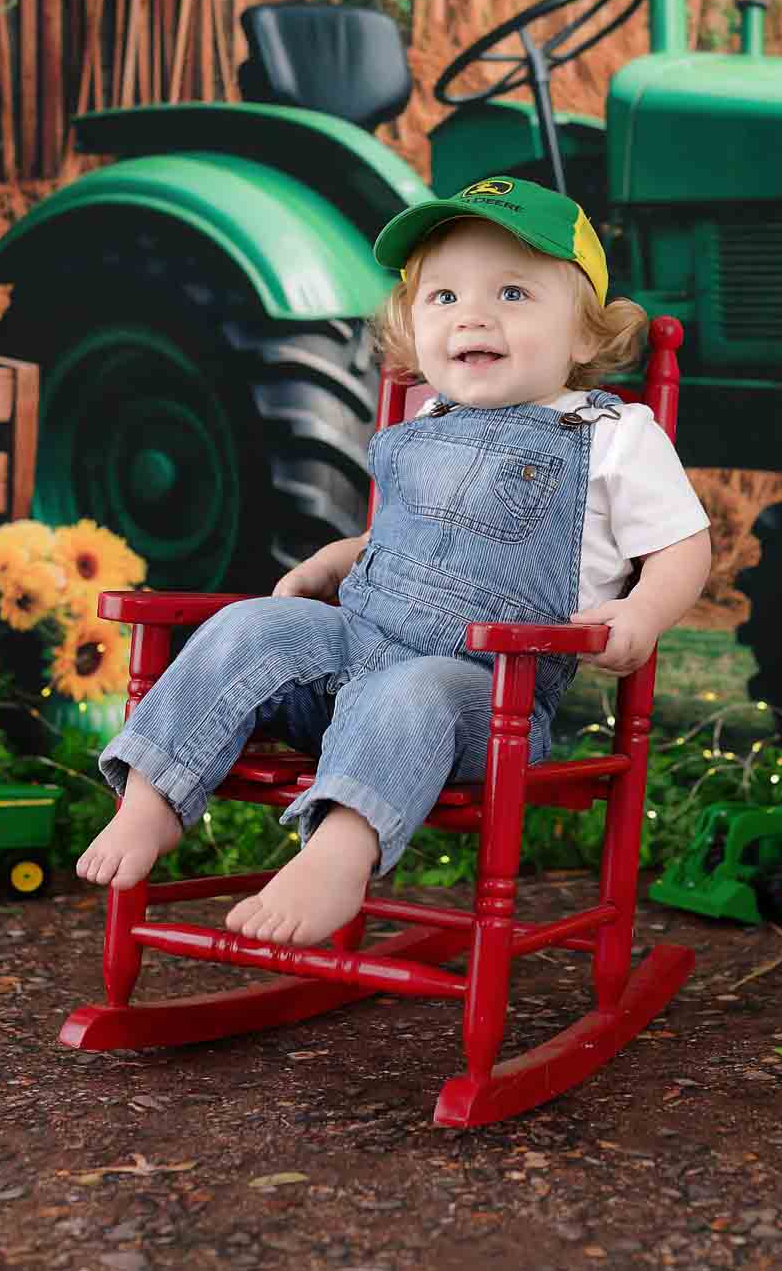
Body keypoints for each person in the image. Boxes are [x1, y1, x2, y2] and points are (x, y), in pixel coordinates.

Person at [74, 176, 712, 946]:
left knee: (411, 689)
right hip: (353, 656)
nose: (472, 314)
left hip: (484, 696)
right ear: (413, 328)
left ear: (583, 336)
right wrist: (339, 559)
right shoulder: (426, 419)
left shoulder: (609, 434)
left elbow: (684, 544)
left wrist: (643, 612)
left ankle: (339, 851)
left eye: (512, 293)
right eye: (443, 297)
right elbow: (410, 539)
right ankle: (154, 795)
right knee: (251, 625)